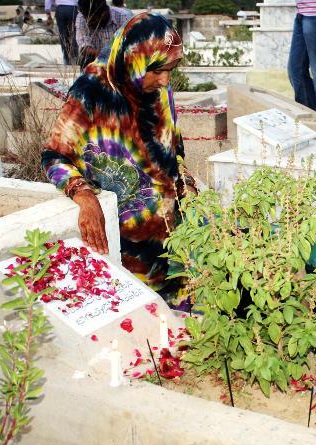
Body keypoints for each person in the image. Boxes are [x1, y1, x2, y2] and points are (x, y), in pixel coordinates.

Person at [41, 13, 194, 302]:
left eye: (172, 69)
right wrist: (84, 196)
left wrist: (185, 182)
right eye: (158, 70)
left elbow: (173, 145)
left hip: (169, 243)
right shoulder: (91, 92)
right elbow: (53, 157)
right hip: (125, 249)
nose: (165, 79)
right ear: (134, 59)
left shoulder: (160, 89)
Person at [76, 0, 132, 69]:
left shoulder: (123, 16)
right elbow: (83, 45)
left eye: (93, 19)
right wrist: (97, 53)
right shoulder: (82, 17)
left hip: (119, 59)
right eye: (87, 18)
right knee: (85, 60)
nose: (89, 22)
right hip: (96, 60)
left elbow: (131, 45)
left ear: (104, 13)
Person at [45, 0, 79, 65]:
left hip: (61, 9)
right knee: (75, 34)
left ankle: (66, 59)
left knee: (63, 35)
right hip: (73, 9)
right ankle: (74, 57)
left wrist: (48, 13)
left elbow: (48, 1)